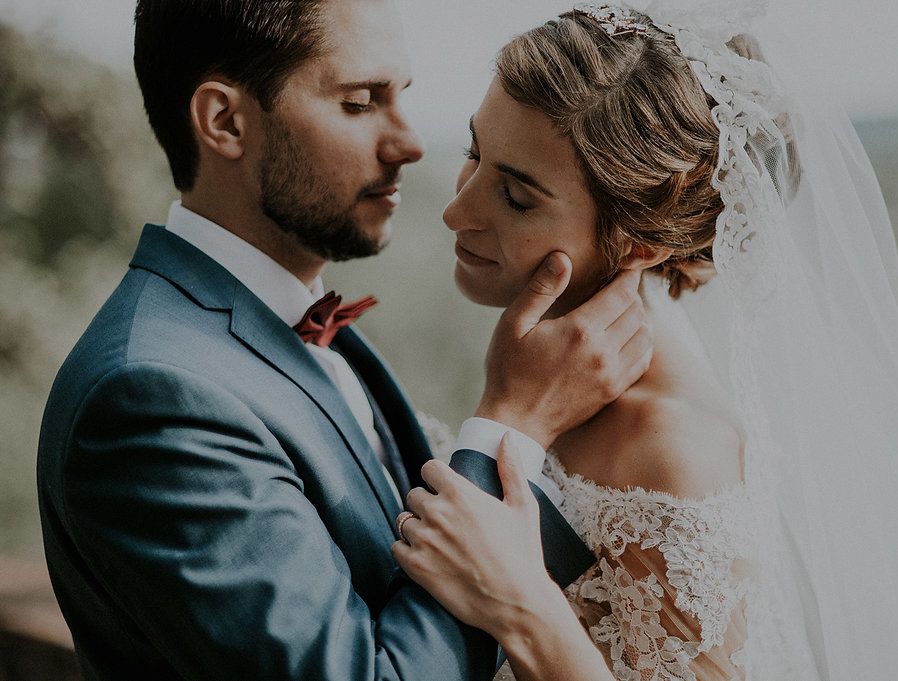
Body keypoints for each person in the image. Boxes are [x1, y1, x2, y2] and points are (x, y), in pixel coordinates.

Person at [393, 3, 898, 680]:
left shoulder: (674, 453)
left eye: (516, 197)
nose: (456, 210)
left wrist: (527, 610)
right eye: (473, 153)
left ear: (637, 241)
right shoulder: (532, 364)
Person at [35, 1, 655, 679]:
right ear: (225, 121)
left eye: (403, 96)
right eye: (361, 102)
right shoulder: (151, 396)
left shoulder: (301, 323)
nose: (411, 143)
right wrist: (513, 422)